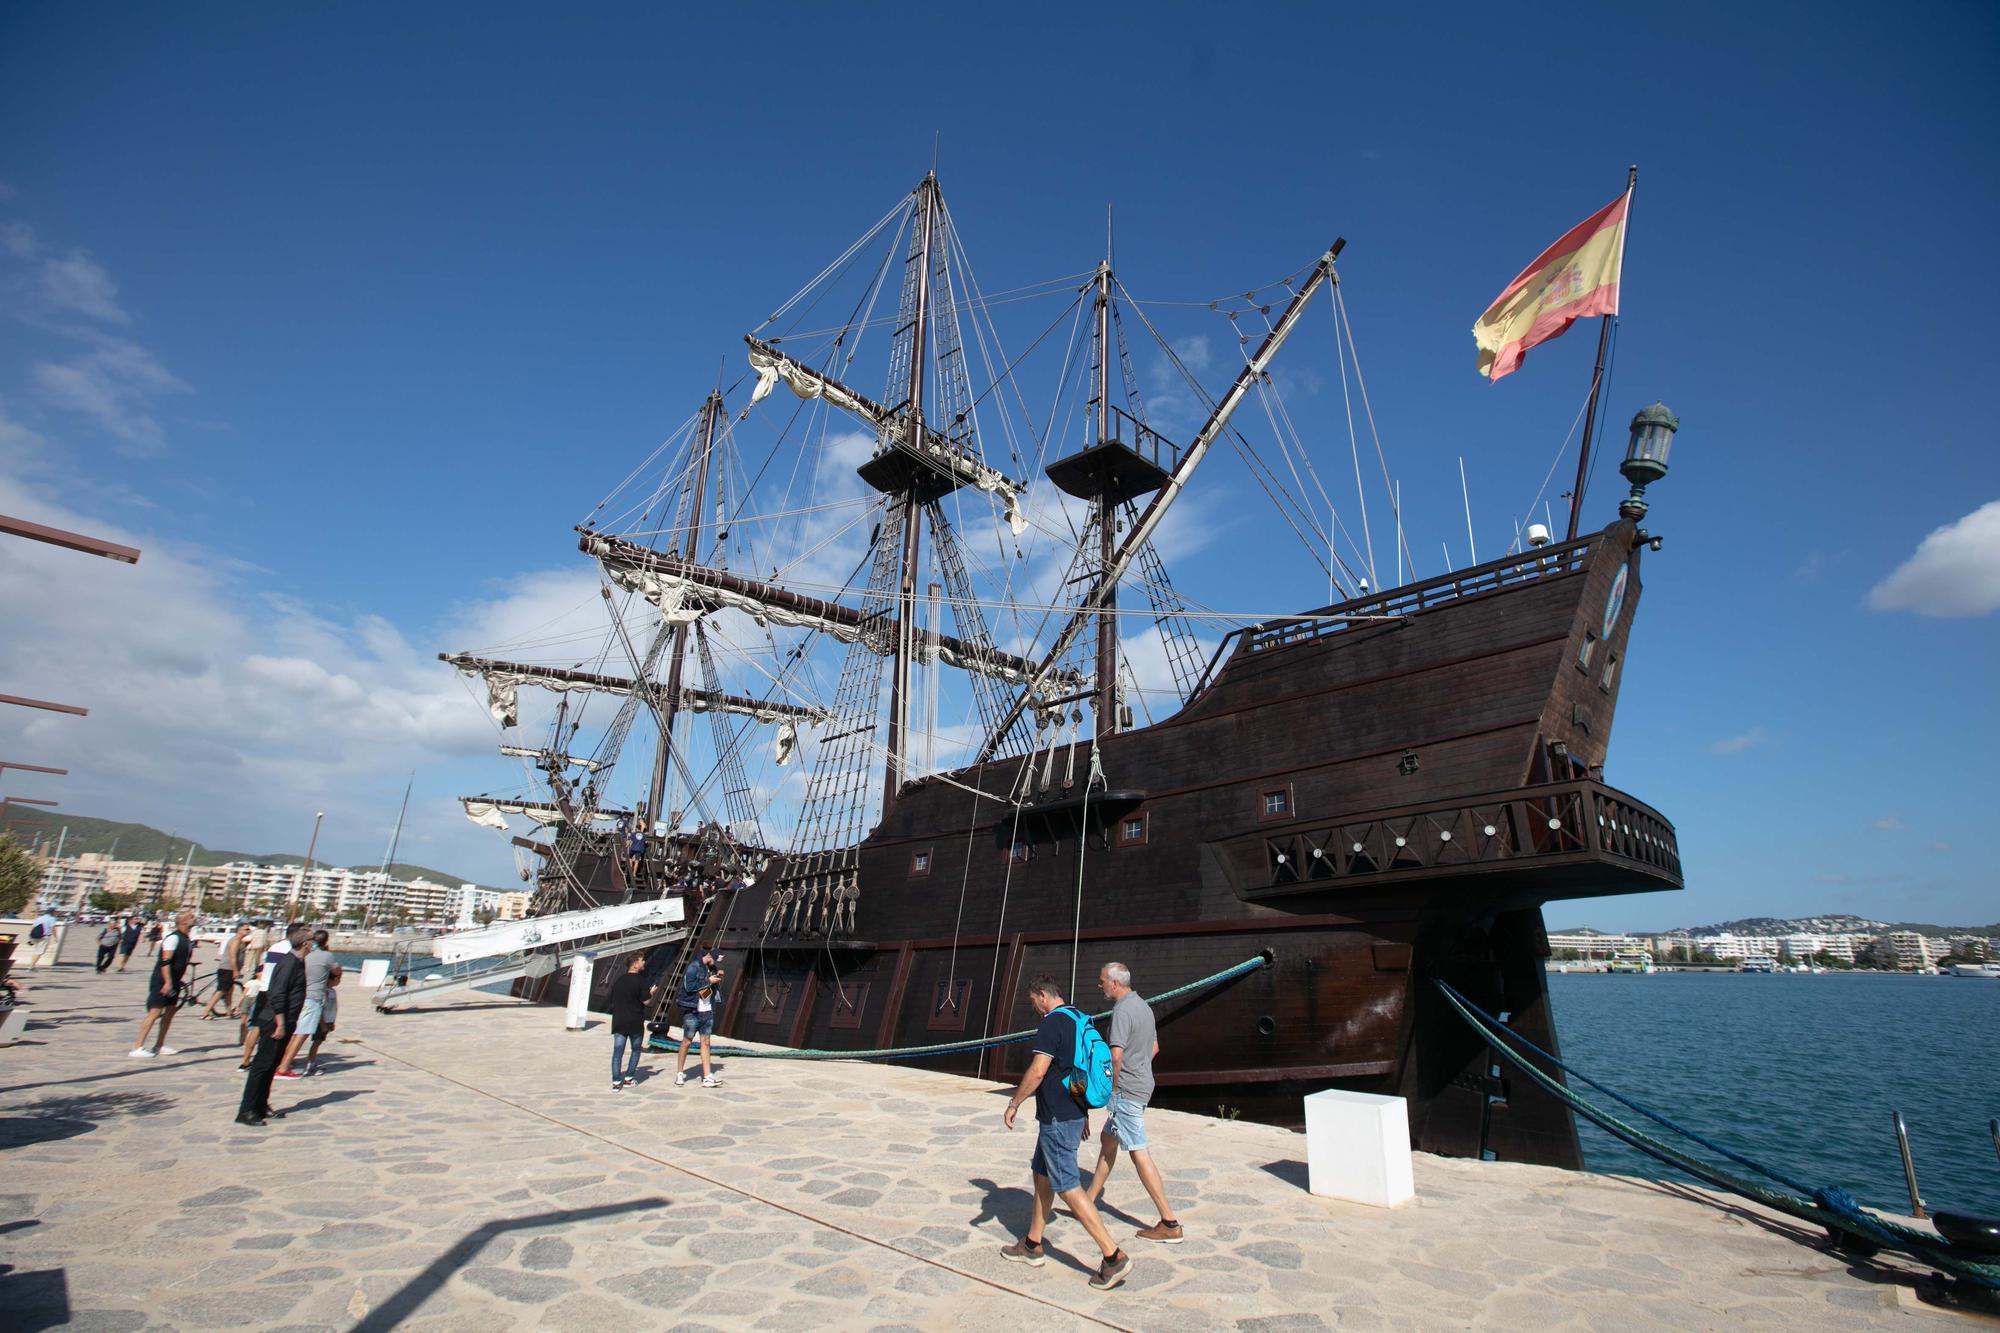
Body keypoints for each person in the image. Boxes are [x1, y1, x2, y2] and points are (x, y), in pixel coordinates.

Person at [999, 975, 1133, 1291]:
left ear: (1043, 995)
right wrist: (1083, 1111)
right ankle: (1032, 1244)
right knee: (1042, 1174)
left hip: (1059, 1119)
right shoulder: (1078, 1018)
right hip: (1068, 1113)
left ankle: (1113, 1256)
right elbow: (1077, 1070)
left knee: (1068, 1185)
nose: (1034, 1007)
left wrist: (1015, 1102)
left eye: (1034, 1001)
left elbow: (1039, 1070)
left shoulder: (1051, 1024)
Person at [1083, 962, 1182, 1244]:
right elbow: (1154, 1047)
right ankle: (1088, 1199)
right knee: (1108, 1139)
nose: (1099, 985)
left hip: (1126, 1090)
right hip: (1142, 1083)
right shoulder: (1143, 1006)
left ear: (1114, 983)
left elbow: (1115, 1056)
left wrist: (1112, 1088)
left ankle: (1169, 1221)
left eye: (1102, 981)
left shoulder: (1122, 1011)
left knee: (1139, 1151)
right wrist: (1138, 1068)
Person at [237, 923, 308, 1127]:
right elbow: (277, 993)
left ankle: (260, 1105)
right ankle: (247, 1110)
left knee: (270, 1065)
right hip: (275, 1017)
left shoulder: (295, 960)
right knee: (262, 1065)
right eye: (310, 941)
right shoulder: (288, 961)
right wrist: (280, 1023)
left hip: (284, 1016)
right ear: (304, 943)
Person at [130, 909, 196, 1058]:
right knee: (154, 1012)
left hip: (175, 981)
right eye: (191, 917)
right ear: (183, 921)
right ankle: (137, 1047)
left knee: (169, 1013)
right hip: (162, 981)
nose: (194, 918)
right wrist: (167, 982)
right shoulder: (173, 938)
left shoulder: (187, 939)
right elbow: (165, 961)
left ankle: (159, 1045)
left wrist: (177, 980)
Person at [278, 930, 336, 1077]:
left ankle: (284, 1062)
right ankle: (283, 1068)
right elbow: (337, 970)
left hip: (300, 996)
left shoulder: (303, 956)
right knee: (302, 1033)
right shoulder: (326, 956)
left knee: (295, 1032)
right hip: (314, 997)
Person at [239, 925, 295, 1069]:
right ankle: (271, 1061)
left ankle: (245, 1061)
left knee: (256, 1027)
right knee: (277, 1028)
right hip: (276, 991)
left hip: (263, 989)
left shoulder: (274, 947)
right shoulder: (290, 950)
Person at [672, 948, 725, 1088]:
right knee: (687, 1042)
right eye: (714, 961)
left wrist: (717, 974)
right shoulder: (693, 967)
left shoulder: (710, 968)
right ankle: (679, 1072)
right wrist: (709, 981)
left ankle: (707, 1076)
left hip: (707, 1011)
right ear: (709, 957)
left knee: (706, 1043)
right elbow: (689, 987)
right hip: (693, 1010)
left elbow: (712, 974)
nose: (714, 964)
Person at [608, 951, 655, 1091]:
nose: (644, 962)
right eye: (642, 960)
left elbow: (612, 1000)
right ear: (635, 964)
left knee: (617, 1053)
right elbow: (646, 1002)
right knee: (635, 1050)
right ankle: (628, 1078)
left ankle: (616, 1082)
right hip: (635, 1021)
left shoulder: (618, 981)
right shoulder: (641, 981)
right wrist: (651, 993)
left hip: (619, 1021)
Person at [204, 924, 250, 1019]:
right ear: (239, 930)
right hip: (227, 969)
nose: (248, 931)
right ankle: (205, 1012)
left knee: (229, 991)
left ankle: (229, 1012)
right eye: (246, 929)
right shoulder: (236, 941)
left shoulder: (239, 941)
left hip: (229, 969)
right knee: (221, 991)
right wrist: (235, 970)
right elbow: (232, 956)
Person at [302, 961, 339, 1076]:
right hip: (321, 1021)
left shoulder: (332, 991)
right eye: (337, 979)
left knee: (319, 1041)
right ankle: (310, 1064)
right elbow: (321, 1008)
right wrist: (323, 1024)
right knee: (316, 1042)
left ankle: (312, 1062)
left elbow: (333, 1008)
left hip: (328, 1020)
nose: (338, 981)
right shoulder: (324, 992)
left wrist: (332, 1022)